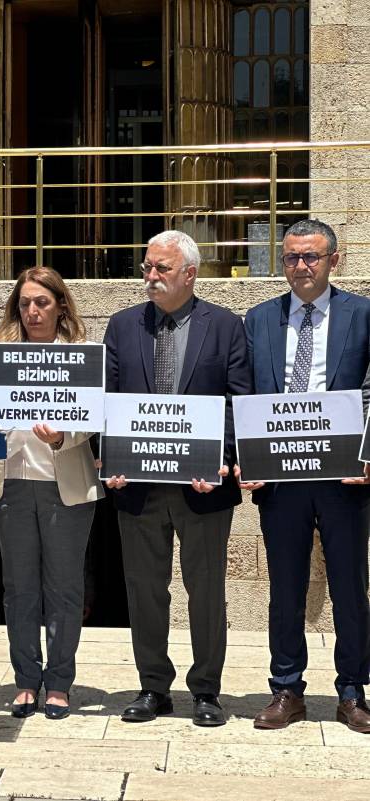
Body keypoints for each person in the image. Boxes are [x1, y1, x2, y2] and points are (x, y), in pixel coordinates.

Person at [102, 230, 250, 727]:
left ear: (190, 273)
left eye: (160, 269)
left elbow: (237, 400)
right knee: (145, 589)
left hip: (204, 488)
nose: (150, 277)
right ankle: (153, 687)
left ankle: (206, 690)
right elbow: (109, 400)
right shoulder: (122, 326)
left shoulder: (227, 326)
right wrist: (111, 456)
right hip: (138, 487)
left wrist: (221, 457)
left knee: (206, 590)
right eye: (147, 268)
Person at [239, 219, 370, 733]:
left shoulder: (363, 315)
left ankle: (353, 691)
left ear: (334, 260)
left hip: (344, 478)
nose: (301, 266)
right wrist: (243, 457)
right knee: (285, 588)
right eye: (292, 257)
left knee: (349, 586)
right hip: (281, 475)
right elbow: (243, 392)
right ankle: (287, 688)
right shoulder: (259, 319)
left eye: (311, 257)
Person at [0, 266, 103, 720]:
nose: (32, 311)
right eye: (25, 303)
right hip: (8, 482)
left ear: (60, 305)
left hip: (64, 484)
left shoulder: (81, 356)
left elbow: (90, 419)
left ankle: (60, 683)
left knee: (64, 588)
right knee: (18, 587)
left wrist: (63, 435)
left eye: (42, 302)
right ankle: (26, 679)